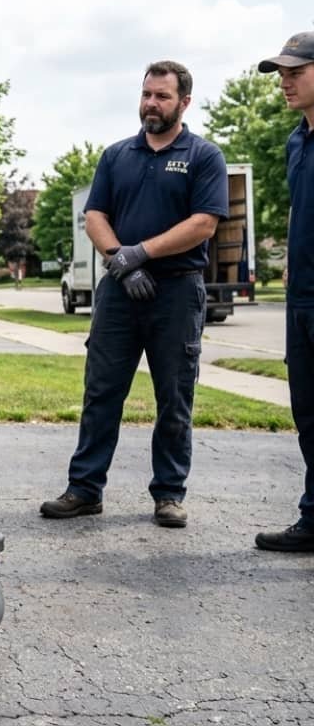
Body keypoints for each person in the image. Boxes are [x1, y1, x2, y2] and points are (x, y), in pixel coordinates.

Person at [41, 61, 228, 528]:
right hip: (121, 293)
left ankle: (168, 493)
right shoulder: (117, 155)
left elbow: (203, 224)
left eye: (162, 96)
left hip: (176, 293)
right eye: (146, 94)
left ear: (184, 102)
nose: (151, 103)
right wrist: (118, 261)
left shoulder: (204, 156)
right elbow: (95, 215)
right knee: (101, 392)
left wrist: (140, 252)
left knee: (174, 396)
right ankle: (85, 488)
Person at [254, 33, 314, 551]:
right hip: (302, 302)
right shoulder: (297, 141)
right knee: (309, 413)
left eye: (295, 72)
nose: (285, 82)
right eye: (280, 74)